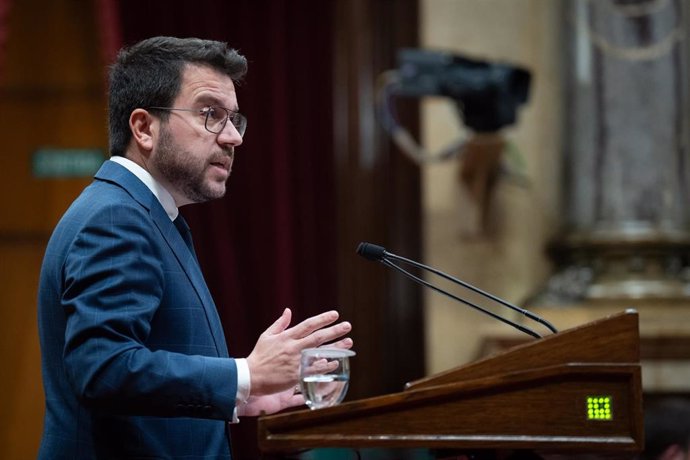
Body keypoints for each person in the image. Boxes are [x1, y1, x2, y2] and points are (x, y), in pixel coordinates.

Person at [36, 36, 353, 459]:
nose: (232, 138)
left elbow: (139, 379)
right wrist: (244, 374)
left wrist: (239, 396)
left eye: (234, 119)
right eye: (210, 114)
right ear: (145, 128)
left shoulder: (148, 215)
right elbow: (103, 368)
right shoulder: (116, 219)